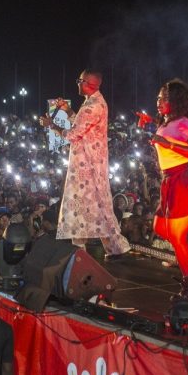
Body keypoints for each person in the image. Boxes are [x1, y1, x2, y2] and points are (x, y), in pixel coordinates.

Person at [39, 70, 130, 258]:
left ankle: (82, 253)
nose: (77, 84)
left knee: (81, 205)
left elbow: (73, 134)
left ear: (89, 83)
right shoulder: (93, 102)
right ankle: (112, 249)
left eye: (80, 80)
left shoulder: (92, 106)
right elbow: (81, 125)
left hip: (86, 165)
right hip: (89, 162)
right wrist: (68, 110)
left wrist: (51, 125)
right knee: (96, 205)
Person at [148, 79, 188, 300]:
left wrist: (168, 144)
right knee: (160, 227)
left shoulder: (185, 123)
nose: (158, 101)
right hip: (169, 180)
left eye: (162, 97)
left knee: (177, 236)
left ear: (175, 100)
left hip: (183, 180)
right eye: (158, 97)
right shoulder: (166, 122)